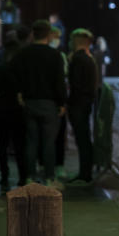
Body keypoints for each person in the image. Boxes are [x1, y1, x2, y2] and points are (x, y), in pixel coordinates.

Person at [13, 19, 67, 189]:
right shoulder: (54, 55)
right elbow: (59, 81)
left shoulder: (23, 53)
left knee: (31, 141)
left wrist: (20, 92)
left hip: (29, 102)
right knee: (48, 142)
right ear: (49, 34)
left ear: (33, 34)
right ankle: (49, 178)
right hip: (49, 103)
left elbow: (14, 74)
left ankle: (30, 177)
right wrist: (62, 102)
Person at [0, 26, 29, 190]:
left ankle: (4, 176)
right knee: (20, 144)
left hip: (2, 104)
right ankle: (23, 176)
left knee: (2, 144)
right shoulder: (22, 60)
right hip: (18, 106)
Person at [66, 28, 98, 186]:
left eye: (72, 40)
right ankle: (85, 172)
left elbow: (76, 85)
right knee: (83, 138)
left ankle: (85, 174)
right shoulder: (88, 57)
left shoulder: (79, 59)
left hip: (79, 104)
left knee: (82, 139)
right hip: (84, 103)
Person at [50, 25, 69, 180]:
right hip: (51, 100)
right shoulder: (57, 56)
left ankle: (58, 164)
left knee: (59, 134)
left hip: (57, 100)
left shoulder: (61, 56)